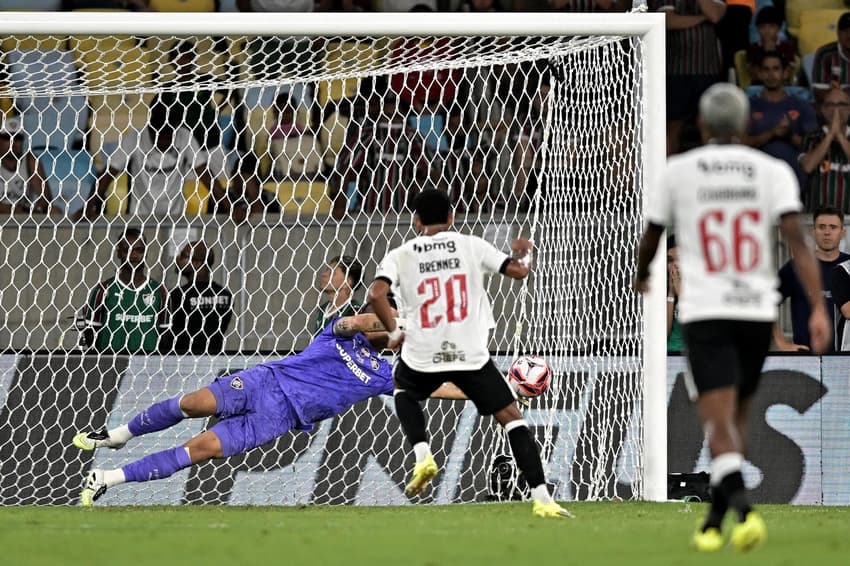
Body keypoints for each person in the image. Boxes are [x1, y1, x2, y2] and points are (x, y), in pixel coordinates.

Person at [634, 83, 831, 552]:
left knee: (716, 418)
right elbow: (797, 240)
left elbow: (653, 234)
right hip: (755, 307)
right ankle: (715, 518)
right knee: (737, 414)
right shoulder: (773, 171)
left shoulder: (678, 172)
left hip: (706, 309)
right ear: (747, 124)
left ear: (701, 126)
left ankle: (742, 512)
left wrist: (643, 274)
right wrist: (818, 305)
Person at [73, 311, 464, 506]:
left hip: (279, 417)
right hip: (265, 380)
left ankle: (108, 478)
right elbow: (354, 321)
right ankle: (117, 435)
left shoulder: (383, 374)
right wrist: (398, 319)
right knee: (192, 403)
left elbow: (440, 389)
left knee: (201, 449)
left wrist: (496, 394)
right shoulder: (340, 332)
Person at [367, 188, 573, 519]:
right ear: (451, 217)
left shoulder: (400, 254)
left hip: (422, 349)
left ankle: (423, 456)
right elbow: (519, 272)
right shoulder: (470, 244)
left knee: (403, 390)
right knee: (512, 419)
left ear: (416, 220)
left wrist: (394, 332)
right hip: (469, 351)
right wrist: (523, 254)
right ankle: (543, 499)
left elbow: (377, 293)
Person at [84, 101, 231, 220]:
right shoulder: (135, 138)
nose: (164, 142)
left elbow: (204, 173)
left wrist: (229, 206)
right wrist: (90, 204)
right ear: (150, 128)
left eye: (169, 136)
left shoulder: (184, 136)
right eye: (160, 136)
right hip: (139, 217)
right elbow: (108, 173)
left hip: (176, 218)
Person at [649, 0, 727, 156]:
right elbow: (669, 22)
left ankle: (711, 172)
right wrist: (702, 18)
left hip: (708, 70)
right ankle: (667, 174)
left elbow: (715, 15)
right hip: (675, 71)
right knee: (672, 126)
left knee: (708, 125)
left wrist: (704, 15)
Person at [76, 227, 170, 354]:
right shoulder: (103, 290)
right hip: (109, 366)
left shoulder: (160, 291)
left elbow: (165, 336)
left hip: (147, 368)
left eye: (139, 250)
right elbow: (91, 333)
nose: (134, 255)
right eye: (128, 250)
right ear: (119, 253)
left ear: (146, 253)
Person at [775, 206, 849, 352]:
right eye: (822, 227)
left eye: (833, 227)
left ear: (843, 233)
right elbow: (766, 302)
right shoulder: (797, 267)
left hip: (845, 360)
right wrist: (782, 342)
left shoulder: (848, 268)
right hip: (805, 359)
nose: (827, 232)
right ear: (813, 232)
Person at [744, 51, 817, 192]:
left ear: (786, 73)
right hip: (755, 181)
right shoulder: (748, 106)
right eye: (766, 70)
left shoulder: (802, 106)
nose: (771, 75)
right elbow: (740, 144)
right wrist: (772, 133)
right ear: (759, 73)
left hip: (794, 182)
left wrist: (789, 135)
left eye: (776, 69)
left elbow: (814, 147)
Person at [160, 240, 233, 355]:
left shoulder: (177, 296)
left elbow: (165, 337)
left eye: (184, 256)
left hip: (180, 362)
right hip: (214, 360)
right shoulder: (225, 295)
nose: (178, 259)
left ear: (197, 263)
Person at [799, 87, 850, 214]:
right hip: (817, 220)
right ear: (823, 109)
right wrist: (831, 134)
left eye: (841, 104)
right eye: (830, 105)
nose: (836, 109)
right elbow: (808, 166)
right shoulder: (811, 138)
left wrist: (840, 136)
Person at [0, 115, 55, 216]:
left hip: (24, 215)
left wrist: (37, 208)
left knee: (56, 211)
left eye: (18, 138)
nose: (13, 142)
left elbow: (45, 198)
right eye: (7, 137)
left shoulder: (30, 160)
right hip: (4, 213)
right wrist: (14, 210)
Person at [744, 6, 796, 85]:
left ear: (778, 28)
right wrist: (767, 50)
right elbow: (754, 75)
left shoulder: (787, 47)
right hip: (758, 87)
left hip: (783, 87)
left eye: (771, 26)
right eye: (763, 27)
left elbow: (787, 74)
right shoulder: (753, 48)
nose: (767, 31)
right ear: (757, 29)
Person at [313, 255, 363, 335]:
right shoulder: (322, 309)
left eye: (332, 272)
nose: (324, 274)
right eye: (326, 270)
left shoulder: (355, 312)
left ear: (347, 282)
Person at [811, 12, 850, 92]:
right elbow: (819, 93)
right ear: (838, 33)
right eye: (845, 31)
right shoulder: (825, 54)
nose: (849, 35)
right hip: (836, 103)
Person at [666, 235, 684, 353]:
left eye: (679, 259)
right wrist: (671, 293)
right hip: (668, 353)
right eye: (670, 260)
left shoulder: (699, 288)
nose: (674, 265)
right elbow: (663, 334)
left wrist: (680, 293)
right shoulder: (660, 287)